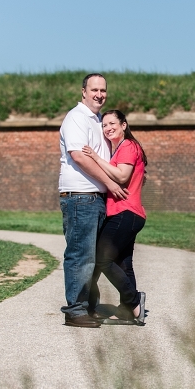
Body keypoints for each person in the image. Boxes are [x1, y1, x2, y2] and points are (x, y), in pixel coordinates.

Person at [58, 74, 128, 328]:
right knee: (80, 255)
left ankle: (88, 305)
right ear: (84, 92)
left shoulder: (97, 120)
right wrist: (110, 183)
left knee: (93, 256)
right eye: (94, 89)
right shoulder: (76, 117)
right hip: (80, 197)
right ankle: (75, 311)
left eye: (103, 90)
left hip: (95, 199)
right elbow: (78, 156)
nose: (100, 94)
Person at [82, 110, 148, 325]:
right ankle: (128, 311)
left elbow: (122, 176)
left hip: (125, 213)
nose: (107, 127)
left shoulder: (128, 146)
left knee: (103, 258)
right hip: (129, 213)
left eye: (112, 123)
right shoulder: (122, 148)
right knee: (124, 263)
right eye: (104, 125)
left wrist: (95, 157)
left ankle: (134, 300)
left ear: (124, 125)